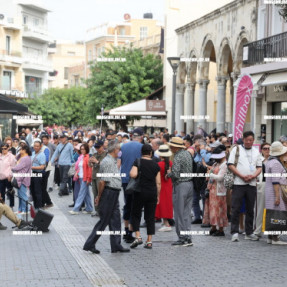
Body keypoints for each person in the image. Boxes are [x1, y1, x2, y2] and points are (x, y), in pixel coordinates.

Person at [83, 141, 130, 254]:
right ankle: (90, 244)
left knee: (115, 220)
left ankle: (116, 245)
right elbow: (103, 181)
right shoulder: (108, 162)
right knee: (104, 221)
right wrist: (99, 196)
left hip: (113, 192)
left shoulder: (111, 161)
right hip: (109, 193)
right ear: (115, 150)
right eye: (119, 150)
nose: (120, 152)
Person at [228, 131, 262, 242]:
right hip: (238, 183)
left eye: (251, 140)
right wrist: (242, 176)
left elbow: (259, 167)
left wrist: (253, 176)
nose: (249, 142)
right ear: (243, 139)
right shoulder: (236, 149)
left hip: (251, 184)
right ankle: (234, 232)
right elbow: (230, 165)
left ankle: (249, 232)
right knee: (236, 208)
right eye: (247, 140)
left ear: (253, 140)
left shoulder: (256, 152)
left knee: (250, 209)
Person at [129, 144, 161, 249]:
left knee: (136, 213)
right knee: (150, 217)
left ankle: (138, 236)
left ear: (141, 152)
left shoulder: (138, 161)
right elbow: (159, 183)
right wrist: (158, 195)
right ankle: (149, 241)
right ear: (151, 153)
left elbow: (133, 174)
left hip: (139, 191)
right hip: (151, 192)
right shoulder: (156, 164)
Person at [167, 137, 194, 246]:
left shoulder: (178, 157)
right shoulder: (187, 154)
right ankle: (188, 236)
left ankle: (182, 237)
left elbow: (176, 174)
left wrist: (169, 173)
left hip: (180, 185)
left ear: (174, 147)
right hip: (190, 184)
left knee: (179, 212)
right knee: (187, 212)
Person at [119, 128, 143, 243]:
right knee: (136, 206)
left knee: (127, 204)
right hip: (137, 180)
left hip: (125, 179)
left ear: (132, 136)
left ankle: (126, 231)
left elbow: (118, 163)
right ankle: (134, 230)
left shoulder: (123, 146)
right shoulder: (142, 147)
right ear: (141, 137)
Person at [264, 141, 287, 245]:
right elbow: (276, 180)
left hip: (270, 191)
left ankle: (270, 237)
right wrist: (278, 196)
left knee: (272, 213)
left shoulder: (270, 161)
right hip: (275, 191)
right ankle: (275, 238)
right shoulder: (276, 163)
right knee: (278, 214)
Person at [203, 146, 228, 236]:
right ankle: (213, 227)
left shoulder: (224, 165)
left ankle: (220, 229)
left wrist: (211, 174)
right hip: (212, 189)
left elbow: (220, 178)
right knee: (212, 209)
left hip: (219, 190)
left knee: (220, 210)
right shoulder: (215, 164)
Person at [69, 143, 93, 215]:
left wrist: (89, 178)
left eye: (83, 149)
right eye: (81, 149)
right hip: (81, 177)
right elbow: (80, 167)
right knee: (86, 194)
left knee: (81, 193)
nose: (82, 150)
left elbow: (90, 169)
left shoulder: (88, 157)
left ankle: (76, 209)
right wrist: (77, 172)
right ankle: (89, 208)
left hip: (85, 178)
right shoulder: (82, 156)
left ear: (86, 149)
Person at [155, 145, 173, 232]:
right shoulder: (170, 163)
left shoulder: (158, 164)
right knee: (167, 204)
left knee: (162, 204)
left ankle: (166, 224)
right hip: (168, 185)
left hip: (161, 186)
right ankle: (165, 222)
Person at [254, 142, 270, 237]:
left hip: (272, 185)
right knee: (259, 209)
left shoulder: (274, 160)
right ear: (261, 150)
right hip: (262, 185)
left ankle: (270, 230)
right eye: (265, 148)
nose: (267, 150)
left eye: (269, 148)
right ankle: (257, 230)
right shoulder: (259, 160)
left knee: (271, 210)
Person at [11, 145, 32, 214]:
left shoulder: (25, 158)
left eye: (21, 149)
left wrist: (11, 168)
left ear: (24, 150)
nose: (20, 151)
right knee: (20, 194)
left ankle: (25, 209)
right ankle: (20, 209)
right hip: (22, 178)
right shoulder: (26, 157)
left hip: (22, 179)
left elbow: (18, 167)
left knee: (22, 195)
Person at [89, 140, 107, 217]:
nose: (97, 149)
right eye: (96, 147)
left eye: (98, 147)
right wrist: (90, 162)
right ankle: (97, 211)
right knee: (95, 194)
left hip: (101, 177)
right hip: (94, 176)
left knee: (101, 194)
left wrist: (96, 161)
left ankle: (103, 211)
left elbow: (106, 166)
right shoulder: (94, 154)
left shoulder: (106, 155)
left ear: (102, 146)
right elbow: (90, 165)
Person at [30, 141, 46, 210]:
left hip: (38, 174)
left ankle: (39, 207)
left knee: (38, 191)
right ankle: (35, 206)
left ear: (40, 147)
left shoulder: (42, 155)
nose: (36, 147)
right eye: (35, 146)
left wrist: (32, 167)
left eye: (37, 146)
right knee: (32, 191)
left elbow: (42, 167)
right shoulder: (32, 153)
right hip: (32, 173)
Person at [0, 144, 16, 210]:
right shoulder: (0, 155)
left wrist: (10, 175)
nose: (4, 150)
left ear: (8, 148)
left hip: (8, 178)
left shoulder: (11, 156)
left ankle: (11, 206)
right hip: (1, 178)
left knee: (10, 192)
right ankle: (2, 207)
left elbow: (13, 167)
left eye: (5, 148)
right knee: (1, 193)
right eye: (2, 148)